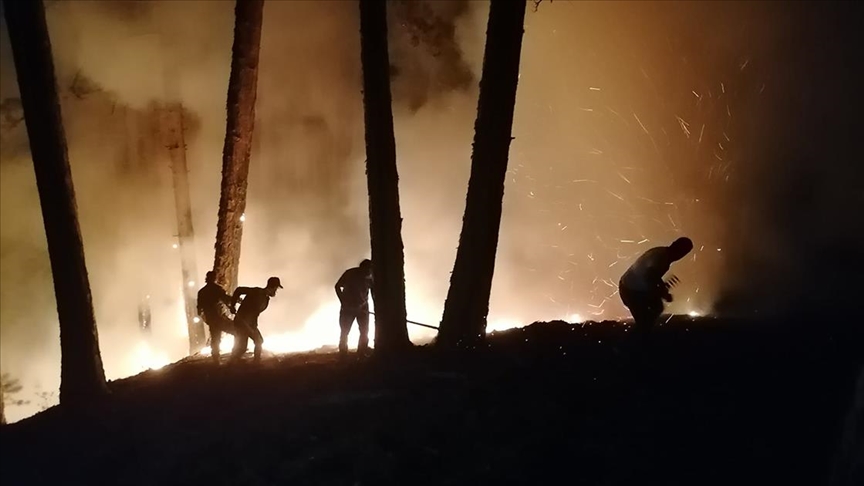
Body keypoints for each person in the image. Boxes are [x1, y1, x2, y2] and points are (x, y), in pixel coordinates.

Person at [619, 237, 693, 337]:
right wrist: (663, 292)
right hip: (631, 291)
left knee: (653, 311)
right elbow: (650, 275)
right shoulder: (662, 258)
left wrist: (660, 289)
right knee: (645, 322)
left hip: (628, 287)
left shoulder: (659, 252)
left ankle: (635, 343)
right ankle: (629, 346)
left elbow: (651, 277)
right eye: (683, 252)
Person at [229, 276, 282, 363]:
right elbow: (239, 290)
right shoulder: (257, 291)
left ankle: (254, 362)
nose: (276, 291)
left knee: (257, 341)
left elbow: (255, 313)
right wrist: (232, 305)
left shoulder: (266, 299)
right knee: (245, 346)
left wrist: (254, 325)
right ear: (272, 287)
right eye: (276, 288)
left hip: (250, 324)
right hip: (242, 322)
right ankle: (232, 364)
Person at [334, 259, 373, 358]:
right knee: (345, 331)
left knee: (364, 331)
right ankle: (343, 353)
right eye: (368, 270)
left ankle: (362, 351)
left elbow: (373, 290)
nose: (369, 272)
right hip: (348, 309)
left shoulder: (370, 276)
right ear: (362, 268)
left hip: (363, 308)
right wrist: (343, 301)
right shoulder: (350, 274)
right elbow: (337, 286)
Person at [196, 271, 235, 364]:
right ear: (215, 278)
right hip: (220, 318)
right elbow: (226, 299)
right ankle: (236, 355)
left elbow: (199, 309)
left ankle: (216, 360)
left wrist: (206, 319)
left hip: (211, 319)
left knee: (215, 339)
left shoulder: (201, 292)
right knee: (237, 331)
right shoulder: (217, 289)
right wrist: (235, 301)